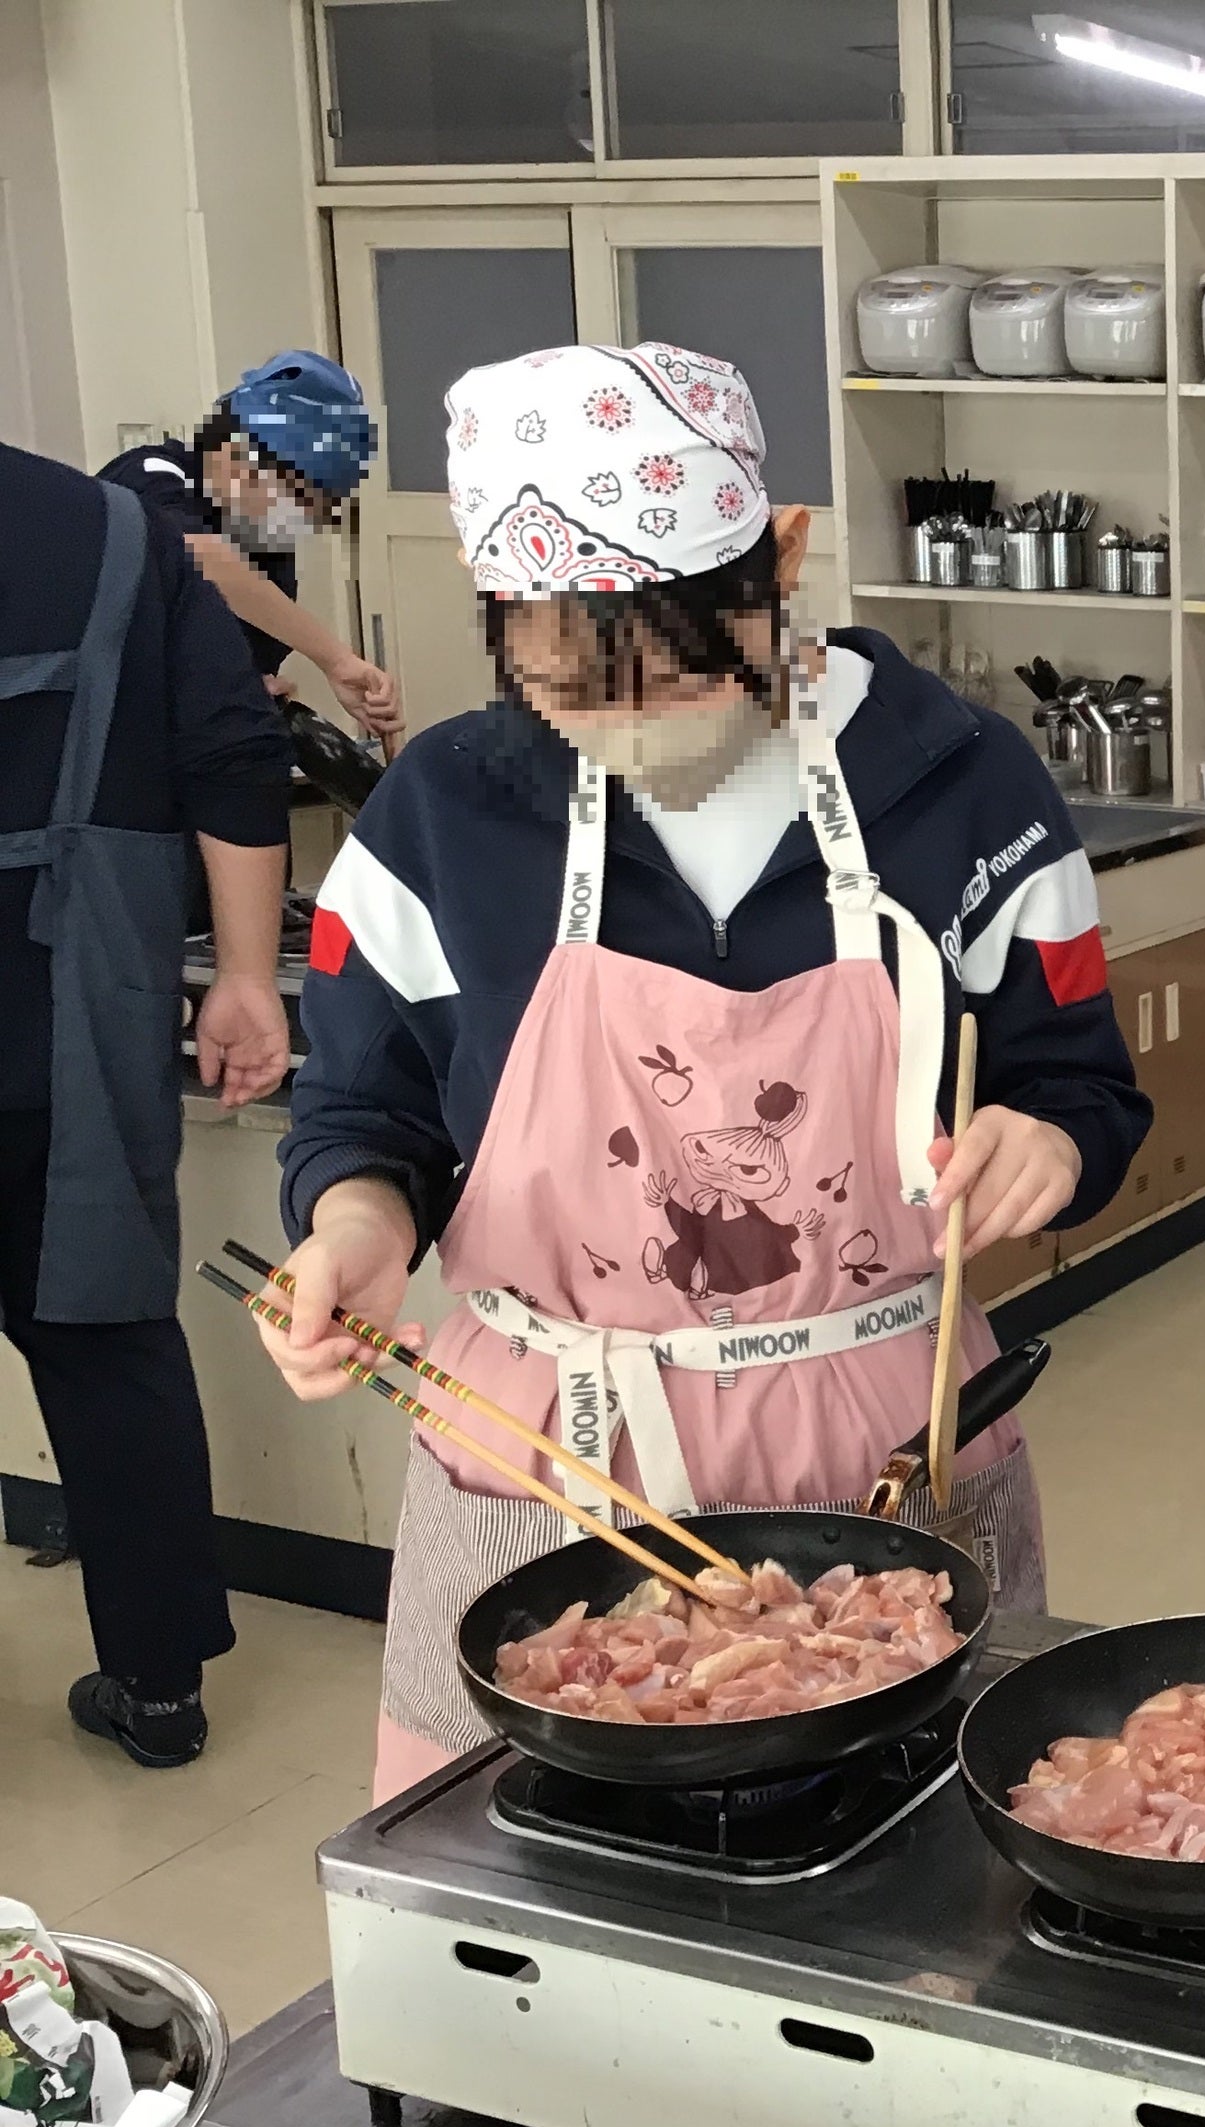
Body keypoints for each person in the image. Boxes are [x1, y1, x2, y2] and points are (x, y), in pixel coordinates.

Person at [253, 344, 1148, 1799]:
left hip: (886, 1441)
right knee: (516, 1865)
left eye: (680, 677)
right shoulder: (441, 815)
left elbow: (1082, 1086)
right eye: (569, 687)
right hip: (542, 1445)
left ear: (780, 558)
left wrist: (1049, 1143)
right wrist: (355, 1224)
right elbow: (367, 1107)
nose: (635, 732)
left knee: (909, 1855)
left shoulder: (965, 786)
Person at [0, 440, 293, 1766]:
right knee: (108, 1336)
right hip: (75, 1002)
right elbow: (234, 753)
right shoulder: (116, 533)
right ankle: (160, 1688)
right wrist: (246, 977)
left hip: (70, 999)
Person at [100, 351, 399, 749]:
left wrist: (251, 692)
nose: (304, 514)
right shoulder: (152, 476)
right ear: (238, 451)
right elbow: (196, 556)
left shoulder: (263, 545)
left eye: (319, 505)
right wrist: (336, 659)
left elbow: (237, 658)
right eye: (300, 495)